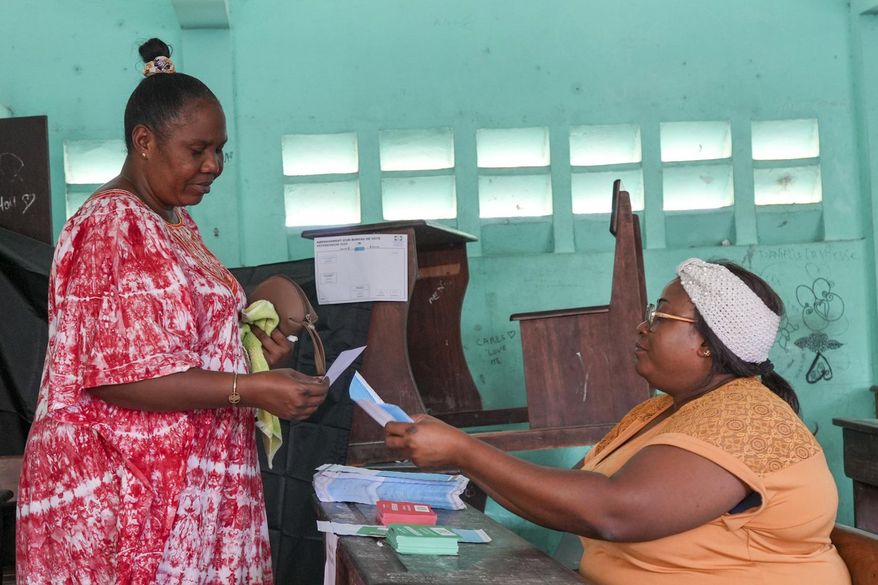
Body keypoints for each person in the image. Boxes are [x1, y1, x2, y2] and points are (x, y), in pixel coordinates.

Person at [16, 38, 328, 584]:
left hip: (185, 485)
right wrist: (249, 389)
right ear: (144, 142)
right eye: (198, 149)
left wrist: (252, 346)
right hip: (128, 493)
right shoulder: (113, 225)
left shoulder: (175, 223)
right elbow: (118, 378)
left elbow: (181, 336)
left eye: (221, 150)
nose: (214, 165)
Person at [385, 258, 851, 585]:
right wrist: (462, 458)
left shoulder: (749, 417)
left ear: (708, 342)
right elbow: (570, 502)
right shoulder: (656, 410)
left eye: (660, 316)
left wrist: (465, 451)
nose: (641, 326)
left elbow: (614, 512)